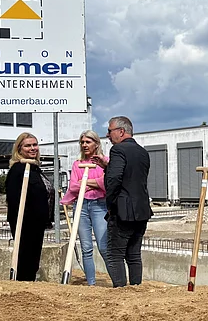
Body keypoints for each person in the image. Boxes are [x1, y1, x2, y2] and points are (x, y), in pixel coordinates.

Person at [92, 116, 152, 287]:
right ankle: (136, 289)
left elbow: (114, 180)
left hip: (123, 212)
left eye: (110, 131)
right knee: (133, 255)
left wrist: (111, 205)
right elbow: (131, 177)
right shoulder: (142, 152)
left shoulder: (117, 150)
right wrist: (107, 167)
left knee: (115, 255)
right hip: (141, 210)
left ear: (121, 131)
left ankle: (121, 291)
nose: (107, 135)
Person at [60, 130, 109, 286]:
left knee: (103, 246)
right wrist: (96, 183)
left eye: (88, 142)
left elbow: (107, 183)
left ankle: (117, 280)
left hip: (99, 205)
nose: (84, 145)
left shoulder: (105, 162)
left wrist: (85, 182)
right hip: (81, 206)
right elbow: (74, 187)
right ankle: (91, 283)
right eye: (82, 142)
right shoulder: (77, 164)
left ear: (96, 143)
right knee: (86, 248)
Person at [5, 132, 54, 281]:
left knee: (33, 260)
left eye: (35, 145)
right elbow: (13, 199)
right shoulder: (18, 170)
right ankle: (22, 285)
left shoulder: (34, 168)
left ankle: (29, 284)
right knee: (25, 258)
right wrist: (23, 222)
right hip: (25, 223)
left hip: (37, 222)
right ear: (19, 149)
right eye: (28, 146)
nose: (33, 148)